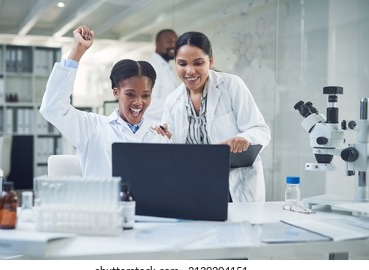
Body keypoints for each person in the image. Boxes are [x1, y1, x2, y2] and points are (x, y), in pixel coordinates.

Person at [155, 31, 271, 202]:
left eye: (198, 63)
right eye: (182, 63)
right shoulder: (173, 100)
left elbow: (261, 130)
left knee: (237, 227)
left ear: (211, 61)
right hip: (193, 186)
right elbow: (172, 150)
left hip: (234, 187)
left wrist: (244, 138)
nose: (190, 71)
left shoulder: (231, 85)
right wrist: (160, 136)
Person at [40, 25, 169, 177]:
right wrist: (78, 50)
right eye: (130, 94)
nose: (138, 102)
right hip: (100, 200)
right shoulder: (92, 127)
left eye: (146, 95)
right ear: (116, 92)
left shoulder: (157, 136)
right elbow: (53, 108)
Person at [145, 29, 180, 122]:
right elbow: (149, 104)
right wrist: (179, 107)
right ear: (157, 44)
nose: (173, 45)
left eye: (175, 42)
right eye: (168, 42)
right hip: (157, 127)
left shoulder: (167, 66)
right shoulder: (152, 67)